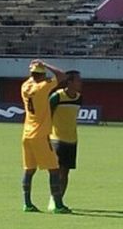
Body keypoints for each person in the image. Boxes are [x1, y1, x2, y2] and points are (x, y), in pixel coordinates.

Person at [20, 59, 71, 214]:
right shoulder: (43, 87)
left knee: (29, 170)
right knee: (54, 169)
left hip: (27, 134)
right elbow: (62, 75)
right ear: (42, 75)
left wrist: (36, 67)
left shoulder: (25, 87)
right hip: (40, 135)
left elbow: (33, 77)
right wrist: (46, 64)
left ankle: (27, 203)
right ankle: (58, 204)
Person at [48, 70, 83, 210]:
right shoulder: (57, 97)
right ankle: (53, 200)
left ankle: (59, 201)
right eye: (78, 80)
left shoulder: (79, 98)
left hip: (72, 140)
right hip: (57, 139)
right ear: (69, 82)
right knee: (57, 172)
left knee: (66, 172)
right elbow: (47, 116)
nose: (80, 83)